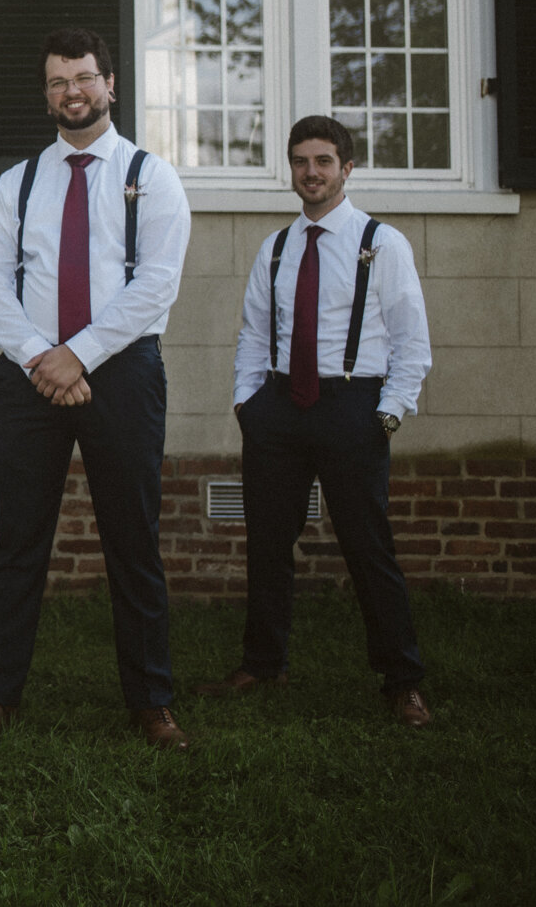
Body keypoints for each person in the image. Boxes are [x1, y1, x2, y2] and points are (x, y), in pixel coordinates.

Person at [0, 28, 194, 749]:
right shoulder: (18, 182)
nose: (73, 92)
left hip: (121, 373)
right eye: (60, 81)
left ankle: (152, 700)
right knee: (20, 541)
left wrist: (81, 355)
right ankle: (0, 695)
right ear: (47, 94)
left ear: (111, 84)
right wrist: (44, 358)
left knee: (133, 539)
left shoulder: (152, 177)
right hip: (32, 374)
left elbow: (156, 283)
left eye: (85, 78)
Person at [199, 115, 433, 726]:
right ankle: (263, 661)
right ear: (291, 169)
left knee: (368, 547)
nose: (312, 173)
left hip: (353, 407)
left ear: (347, 168)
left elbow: (412, 342)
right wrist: (247, 403)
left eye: (324, 161)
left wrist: (387, 415)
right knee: (269, 543)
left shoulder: (381, 243)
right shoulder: (275, 247)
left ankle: (402, 679)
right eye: (301, 162)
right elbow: (254, 332)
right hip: (277, 410)